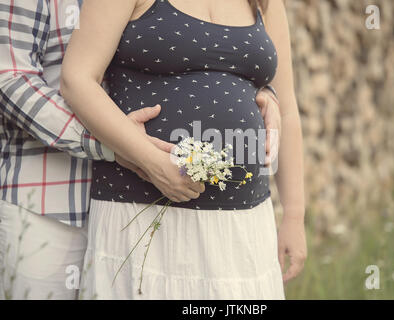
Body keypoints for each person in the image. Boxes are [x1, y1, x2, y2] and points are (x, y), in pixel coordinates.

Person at [0, 0, 281, 299]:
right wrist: (115, 145)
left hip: (127, 191)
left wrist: (263, 93)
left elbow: (199, 54)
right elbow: (10, 77)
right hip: (53, 195)